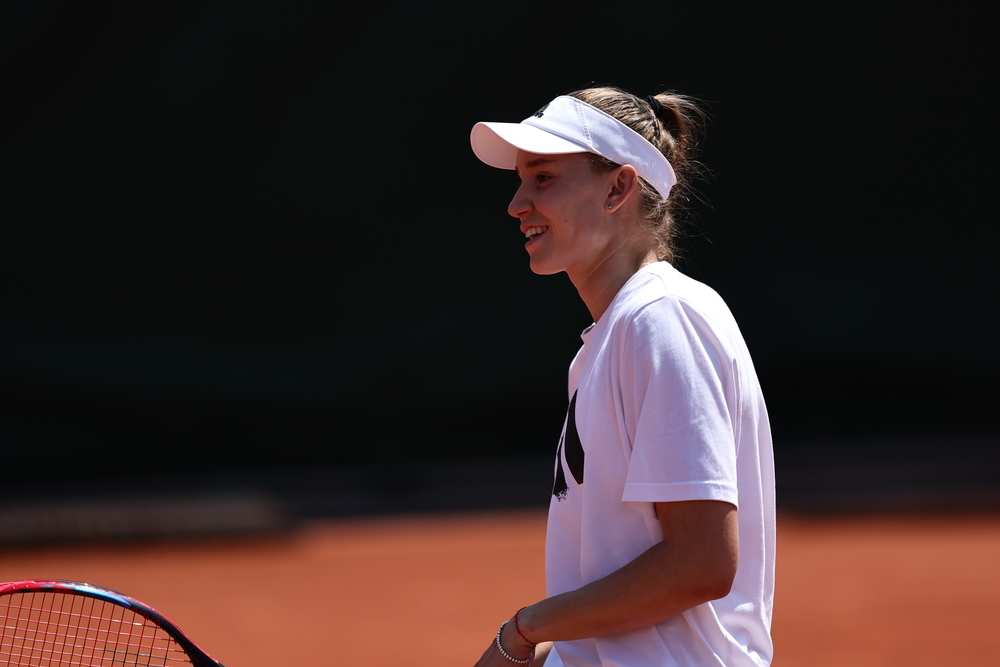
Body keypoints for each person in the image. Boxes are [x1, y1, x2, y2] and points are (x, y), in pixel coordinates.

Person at [468, 87, 775, 667]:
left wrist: (523, 632)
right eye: (521, 180)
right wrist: (556, 646)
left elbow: (700, 563)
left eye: (543, 178)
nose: (516, 204)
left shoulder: (663, 318)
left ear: (618, 188)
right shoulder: (616, 335)